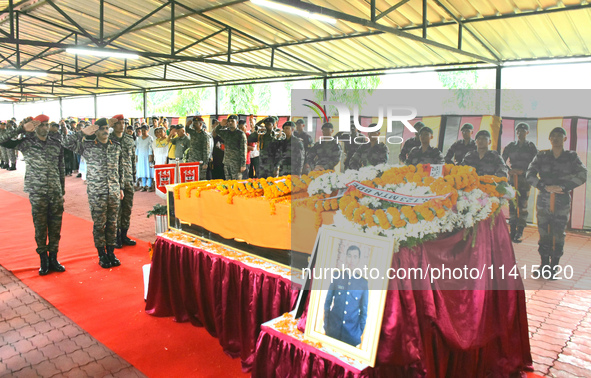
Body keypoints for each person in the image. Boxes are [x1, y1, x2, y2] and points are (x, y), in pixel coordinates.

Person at [0, 115, 66, 275]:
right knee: (40, 226)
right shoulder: (26, 142)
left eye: (46, 124)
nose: (45, 127)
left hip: (55, 191)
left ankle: (54, 258)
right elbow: (2, 140)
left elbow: (61, 167)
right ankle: (43, 259)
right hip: (37, 191)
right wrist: (21, 128)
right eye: (41, 125)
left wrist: (62, 190)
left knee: (56, 227)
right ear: (35, 126)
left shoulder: (56, 142)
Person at [62, 118, 124, 269]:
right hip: (97, 192)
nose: (104, 131)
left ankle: (111, 252)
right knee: (99, 224)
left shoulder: (115, 146)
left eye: (106, 128)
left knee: (113, 224)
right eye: (101, 128)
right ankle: (101, 254)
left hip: (114, 191)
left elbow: (120, 167)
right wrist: (82, 132)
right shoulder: (87, 146)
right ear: (96, 131)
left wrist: (120, 187)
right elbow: (66, 142)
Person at [526, 127, 587, 277]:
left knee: (558, 233)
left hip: (562, 199)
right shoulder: (542, 155)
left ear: (565, 139)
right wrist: (543, 186)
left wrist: (565, 187)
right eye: (553, 136)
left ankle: (554, 267)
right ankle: (544, 265)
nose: (556, 138)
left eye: (559, 136)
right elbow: (530, 173)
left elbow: (583, 174)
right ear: (549, 139)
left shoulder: (571, 157)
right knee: (543, 231)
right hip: (544, 199)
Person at [323, 245, 368, 347]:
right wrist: (327, 325)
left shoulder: (363, 283)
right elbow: (327, 303)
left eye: (355, 257)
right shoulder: (337, 277)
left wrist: (358, 332)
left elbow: (364, 312)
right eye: (349, 256)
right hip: (332, 331)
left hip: (351, 335)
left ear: (359, 260)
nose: (352, 260)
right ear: (346, 258)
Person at [502, 122, 538, 243]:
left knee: (522, 205)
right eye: (518, 131)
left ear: (527, 132)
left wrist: (524, 171)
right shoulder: (511, 146)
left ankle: (520, 231)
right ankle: (512, 230)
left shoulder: (531, 147)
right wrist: (509, 170)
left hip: (525, 179)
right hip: (512, 178)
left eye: (522, 131)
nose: (520, 133)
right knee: (512, 203)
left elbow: (537, 163)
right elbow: (501, 161)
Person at [109, 115, 137, 249]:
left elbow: (133, 159)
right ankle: (115, 236)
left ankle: (124, 234)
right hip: (114, 180)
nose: (122, 125)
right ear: (113, 125)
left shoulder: (129, 139)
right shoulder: (108, 140)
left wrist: (134, 177)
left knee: (127, 208)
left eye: (124, 123)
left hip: (128, 178)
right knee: (116, 210)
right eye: (119, 123)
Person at [214, 115, 247, 180]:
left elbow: (243, 150)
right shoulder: (226, 132)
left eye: (232, 121)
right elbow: (217, 131)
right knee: (227, 182)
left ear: (237, 122)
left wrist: (243, 164)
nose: (230, 122)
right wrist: (221, 124)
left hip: (236, 163)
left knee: (236, 183)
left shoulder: (240, 134)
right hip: (227, 162)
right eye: (229, 121)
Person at [136, 125, 154, 192]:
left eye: (144, 130)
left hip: (147, 156)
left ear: (147, 130)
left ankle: (149, 185)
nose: (143, 132)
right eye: (142, 130)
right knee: (142, 171)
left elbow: (150, 148)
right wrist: (136, 156)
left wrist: (150, 156)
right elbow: (137, 148)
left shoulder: (150, 138)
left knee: (148, 171)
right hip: (140, 156)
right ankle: (143, 185)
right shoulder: (139, 138)